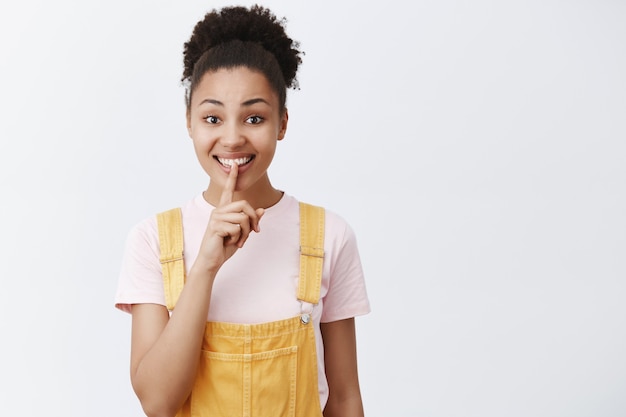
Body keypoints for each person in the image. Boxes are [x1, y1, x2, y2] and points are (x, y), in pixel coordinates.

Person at [115, 4, 370, 417]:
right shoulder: (152, 240)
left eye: (254, 117)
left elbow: (343, 398)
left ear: (282, 124)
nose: (232, 138)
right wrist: (206, 267)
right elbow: (157, 402)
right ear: (189, 122)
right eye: (213, 117)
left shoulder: (329, 236)